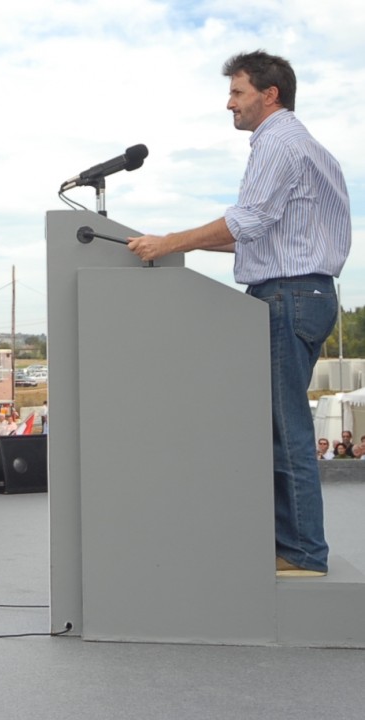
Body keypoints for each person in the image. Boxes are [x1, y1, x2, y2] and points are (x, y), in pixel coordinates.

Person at [128, 51, 350, 577]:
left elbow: (246, 221)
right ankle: (290, 545)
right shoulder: (310, 147)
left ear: (269, 95)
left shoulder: (277, 142)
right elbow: (261, 235)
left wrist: (170, 243)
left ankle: (301, 552)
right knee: (279, 424)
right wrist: (180, 242)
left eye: (237, 92)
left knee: (284, 428)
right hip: (306, 294)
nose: (229, 103)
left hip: (286, 297)